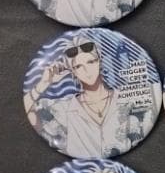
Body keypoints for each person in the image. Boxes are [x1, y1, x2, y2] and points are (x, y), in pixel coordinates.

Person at [24, 36, 157, 158]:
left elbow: (157, 97)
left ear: (100, 62)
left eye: (91, 62)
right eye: (78, 66)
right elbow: (27, 108)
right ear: (73, 72)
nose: (87, 70)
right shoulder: (63, 108)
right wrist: (43, 84)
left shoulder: (126, 98)